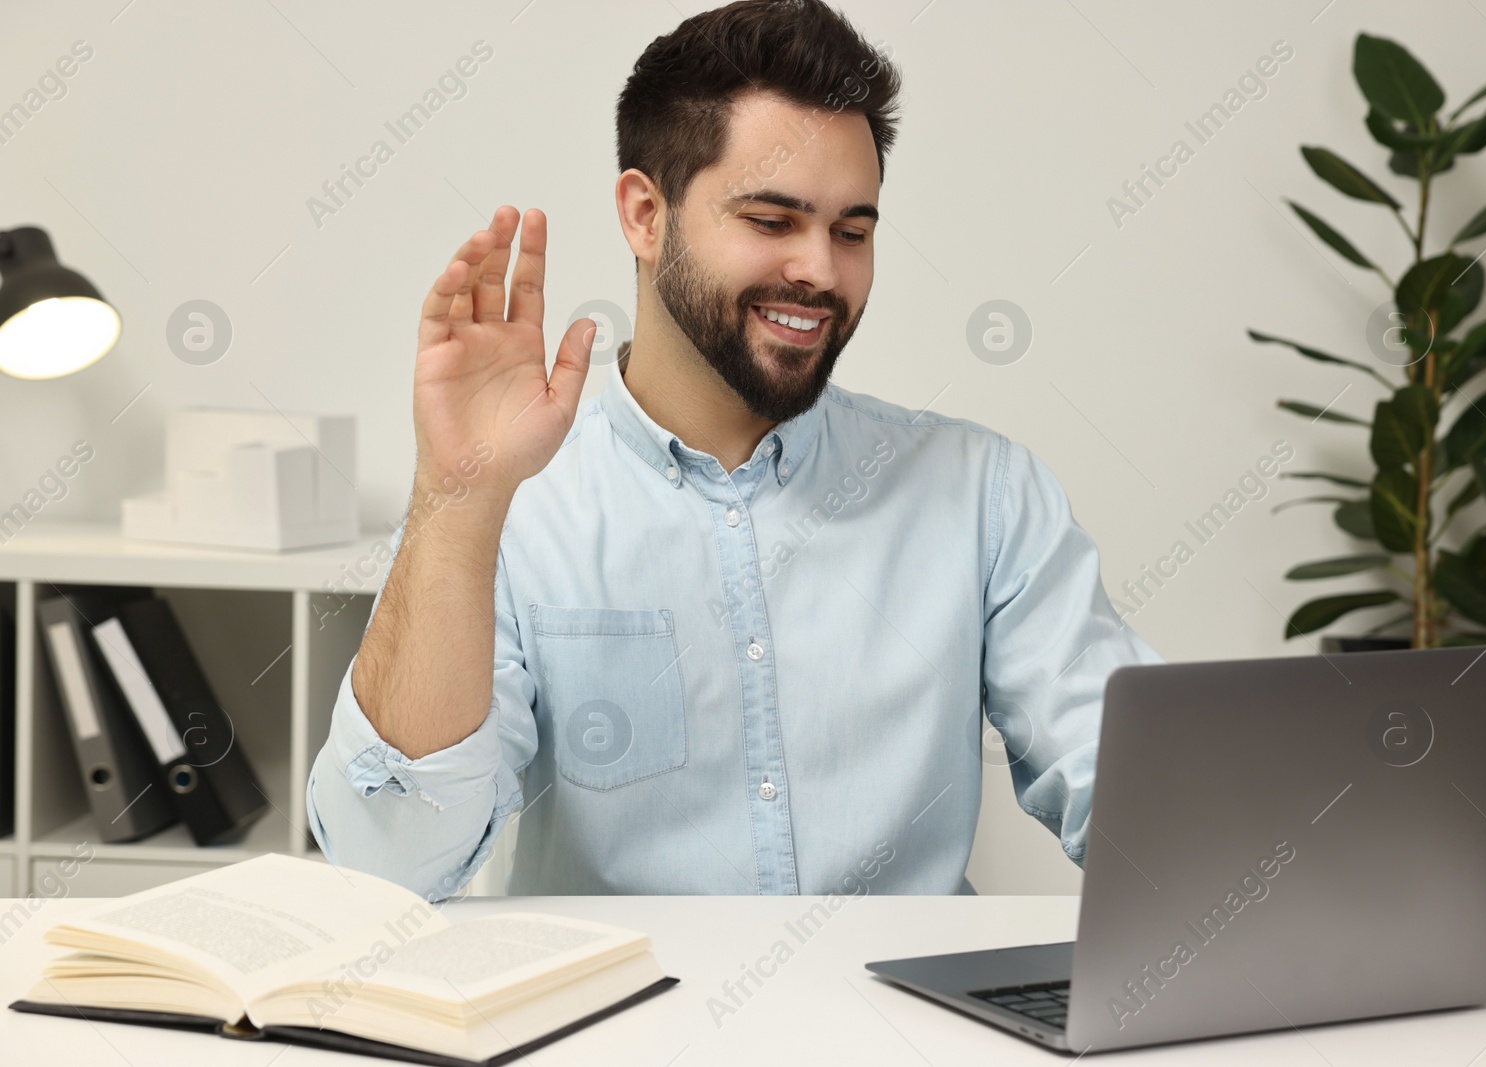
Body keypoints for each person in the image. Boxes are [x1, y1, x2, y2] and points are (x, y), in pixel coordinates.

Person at [306, 0, 1163, 901]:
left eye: (852, 231)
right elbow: (387, 866)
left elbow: (1147, 800)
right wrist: (457, 496)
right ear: (646, 215)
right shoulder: (523, 509)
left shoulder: (983, 496)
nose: (822, 272)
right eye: (770, 220)